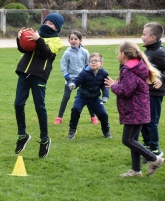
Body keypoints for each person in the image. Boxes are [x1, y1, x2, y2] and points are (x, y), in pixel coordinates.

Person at [104, 41, 164, 177]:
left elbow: (125, 91)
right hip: (138, 109)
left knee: (128, 140)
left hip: (135, 110)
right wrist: (118, 83)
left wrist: (113, 85)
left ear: (124, 55)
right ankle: (136, 170)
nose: (117, 55)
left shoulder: (129, 70)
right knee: (134, 140)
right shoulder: (135, 66)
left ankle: (155, 159)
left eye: (118, 52)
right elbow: (130, 86)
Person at [14, 13, 64, 158]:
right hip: (24, 73)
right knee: (18, 104)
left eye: (51, 23)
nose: (47, 24)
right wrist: (19, 39)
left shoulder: (57, 42)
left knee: (39, 107)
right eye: (46, 21)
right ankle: (22, 135)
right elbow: (24, 49)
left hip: (39, 77)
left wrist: (39, 40)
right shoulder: (35, 34)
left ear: (57, 27)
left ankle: (44, 139)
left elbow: (46, 54)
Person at [54, 30, 98, 125]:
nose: (73, 41)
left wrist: (86, 74)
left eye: (76, 39)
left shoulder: (85, 52)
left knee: (87, 97)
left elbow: (88, 64)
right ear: (69, 40)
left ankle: (93, 116)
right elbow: (63, 66)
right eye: (71, 39)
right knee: (66, 97)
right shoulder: (67, 53)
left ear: (80, 40)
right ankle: (59, 117)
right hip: (71, 79)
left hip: (83, 79)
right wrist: (68, 78)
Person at [67, 52, 111, 139]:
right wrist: (73, 84)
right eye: (91, 61)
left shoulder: (104, 73)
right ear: (88, 63)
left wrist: (105, 96)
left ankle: (106, 131)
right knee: (75, 109)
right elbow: (77, 80)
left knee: (103, 114)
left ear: (101, 63)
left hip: (95, 98)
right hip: (82, 96)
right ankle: (72, 130)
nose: (93, 62)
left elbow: (104, 85)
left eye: (96, 61)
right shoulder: (84, 73)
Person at [140, 22, 165, 161]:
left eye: (144, 34)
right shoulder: (149, 50)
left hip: (155, 92)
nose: (142, 36)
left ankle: (155, 151)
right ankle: (148, 147)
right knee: (143, 120)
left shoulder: (159, 52)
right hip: (146, 91)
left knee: (151, 121)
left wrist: (161, 78)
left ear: (153, 37)